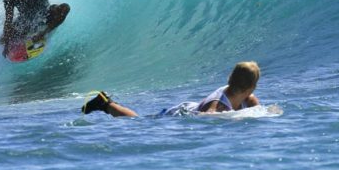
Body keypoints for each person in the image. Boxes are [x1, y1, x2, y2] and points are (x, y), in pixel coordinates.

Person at [82, 61, 261, 117]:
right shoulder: (218, 104)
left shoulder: (249, 99)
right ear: (252, 86)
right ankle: (105, 103)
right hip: (178, 113)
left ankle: (105, 103)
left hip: (191, 107)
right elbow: (208, 117)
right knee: (139, 122)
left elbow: (257, 111)